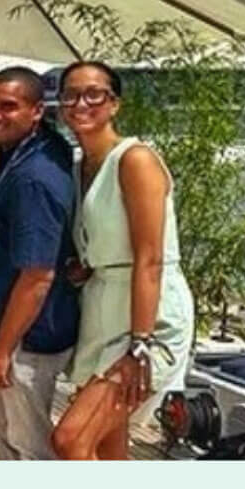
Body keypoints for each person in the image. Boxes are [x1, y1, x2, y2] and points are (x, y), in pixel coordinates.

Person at [51, 62, 194, 460]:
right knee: (106, 443)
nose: (81, 103)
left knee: (71, 439)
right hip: (102, 307)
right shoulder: (79, 167)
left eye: (94, 94)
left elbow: (151, 258)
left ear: (114, 103)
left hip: (147, 315)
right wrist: (85, 266)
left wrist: (141, 346)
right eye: (71, 95)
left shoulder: (135, 159)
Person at [0, 67, 79, 460]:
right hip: (3, 322)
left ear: (36, 110)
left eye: (8, 106)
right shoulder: (25, 151)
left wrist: (2, 350)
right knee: (5, 435)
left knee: (28, 446)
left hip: (24, 338)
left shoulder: (34, 177)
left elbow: (37, 276)